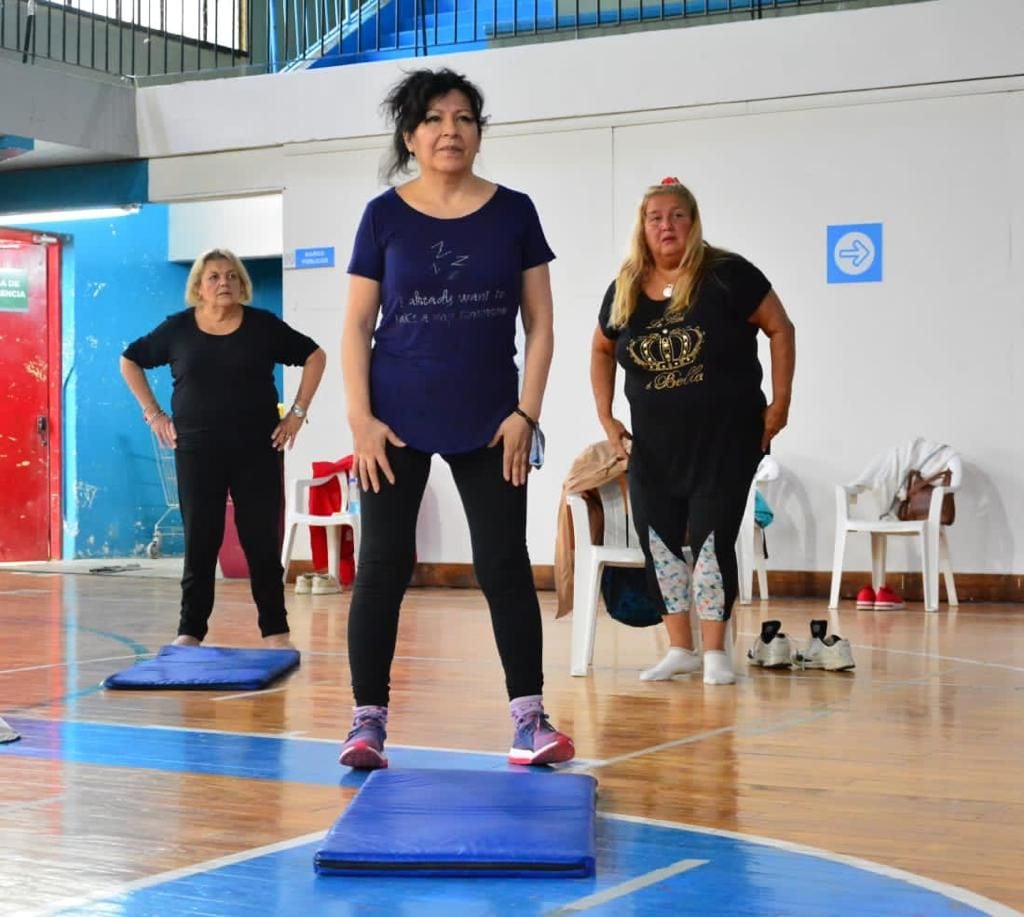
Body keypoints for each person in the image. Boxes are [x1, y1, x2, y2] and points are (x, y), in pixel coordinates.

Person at [338, 68, 574, 769]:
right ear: (410, 135)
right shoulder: (383, 216)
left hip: (491, 419)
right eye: (435, 119)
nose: (451, 129)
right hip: (393, 420)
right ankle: (366, 722)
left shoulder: (515, 211)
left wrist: (526, 413)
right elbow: (355, 325)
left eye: (465, 117)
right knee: (381, 565)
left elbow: (542, 324)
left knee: (503, 564)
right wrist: (360, 420)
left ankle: (529, 720)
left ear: (478, 131)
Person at [590, 178, 795, 685]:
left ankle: (715, 652)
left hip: (725, 442)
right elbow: (600, 349)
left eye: (677, 215)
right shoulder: (625, 288)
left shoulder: (727, 274)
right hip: (655, 448)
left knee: (710, 540)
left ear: (693, 221)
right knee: (657, 541)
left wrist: (781, 404)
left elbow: (780, 328)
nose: (667, 225)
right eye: (656, 217)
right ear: (643, 227)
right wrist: (607, 418)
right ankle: (679, 647)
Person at [120, 248, 326, 648]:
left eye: (232, 276)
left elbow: (315, 356)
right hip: (197, 450)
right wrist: (154, 414)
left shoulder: (262, 326)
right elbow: (130, 360)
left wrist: (297, 413)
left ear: (242, 285)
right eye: (213, 276)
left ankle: (275, 630)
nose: (224, 283)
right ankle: (191, 630)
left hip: (258, 448)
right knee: (201, 539)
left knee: (261, 539)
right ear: (199, 286)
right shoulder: (177, 329)